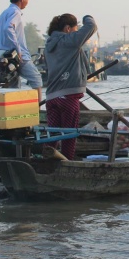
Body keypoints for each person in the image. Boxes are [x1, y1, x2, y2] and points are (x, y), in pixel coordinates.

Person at [44, 13, 97, 160]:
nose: (76, 33)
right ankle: (67, 162)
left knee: (52, 135)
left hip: (52, 97)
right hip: (68, 96)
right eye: (75, 29)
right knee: (70, 134)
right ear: (68, 29)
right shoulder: (69, 40)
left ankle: (46, 160)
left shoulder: (48, 45)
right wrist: (87, 17)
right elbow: (91, 26)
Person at [0, 0, 43, 90]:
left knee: (13, 85)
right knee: (36, 80)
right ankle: (37, 106)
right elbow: (8, 27)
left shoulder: (4, 13)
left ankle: (14, 106)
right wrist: (18, 48)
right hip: (17, 56)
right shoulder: (15, 12)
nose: (27, 3)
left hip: (2, 55)